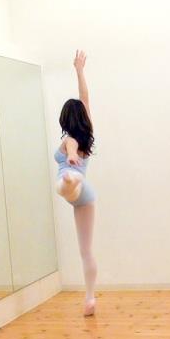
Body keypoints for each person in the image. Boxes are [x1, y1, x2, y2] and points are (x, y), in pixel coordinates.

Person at [54, 50, 98, 316]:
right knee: (86, 251)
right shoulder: (87, 131)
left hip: (74, 184)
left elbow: (70, 146)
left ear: (64, 119)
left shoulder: (70, 139)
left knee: (63, 185)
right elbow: (85, 98)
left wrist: (71, 158)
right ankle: (90, 298)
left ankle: (70, 179)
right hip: (86, 196)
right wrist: (80, 71)